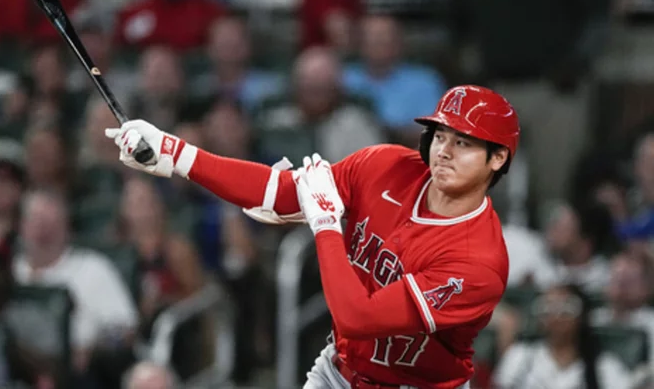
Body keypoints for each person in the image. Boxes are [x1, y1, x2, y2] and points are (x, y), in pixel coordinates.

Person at [106, 84, 519, 388]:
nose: (444, 151)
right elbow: (280, 193)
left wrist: (325, 225)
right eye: (440, 135)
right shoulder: (385, 165)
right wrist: (176, 153)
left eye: (463, 142)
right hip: (340, 372)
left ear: (497, 157)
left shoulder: (478, 261)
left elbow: (358, 318)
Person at [493, 284, 632, 389]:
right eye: (548, 308)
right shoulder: (520, 356)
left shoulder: (605, 366)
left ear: (582, 316)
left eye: (566, 308)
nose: (557, 316)